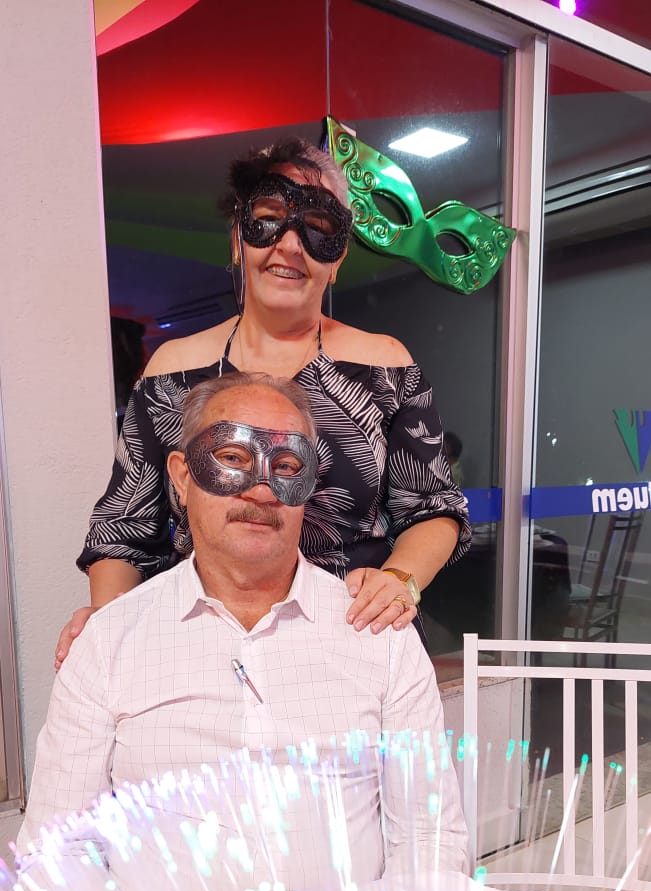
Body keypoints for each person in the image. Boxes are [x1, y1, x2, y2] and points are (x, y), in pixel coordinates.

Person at [18, 377, 468, 891]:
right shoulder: (108, 643)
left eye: (286, 466)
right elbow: (56, 850)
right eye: (232, 458)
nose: (261, 490)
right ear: (182, 476)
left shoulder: (380, 636)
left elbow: (429, 835)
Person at [56, 137, 470, 668]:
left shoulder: (385, 366)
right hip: (200, 647)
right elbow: (124, 528)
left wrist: (398, 580)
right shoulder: (171, 371)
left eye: (317, 229)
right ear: (238, 239)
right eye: (270, 220)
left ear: (338, 258)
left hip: (350, 639)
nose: (290, 246)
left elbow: (435, 507)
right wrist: (111, 634)